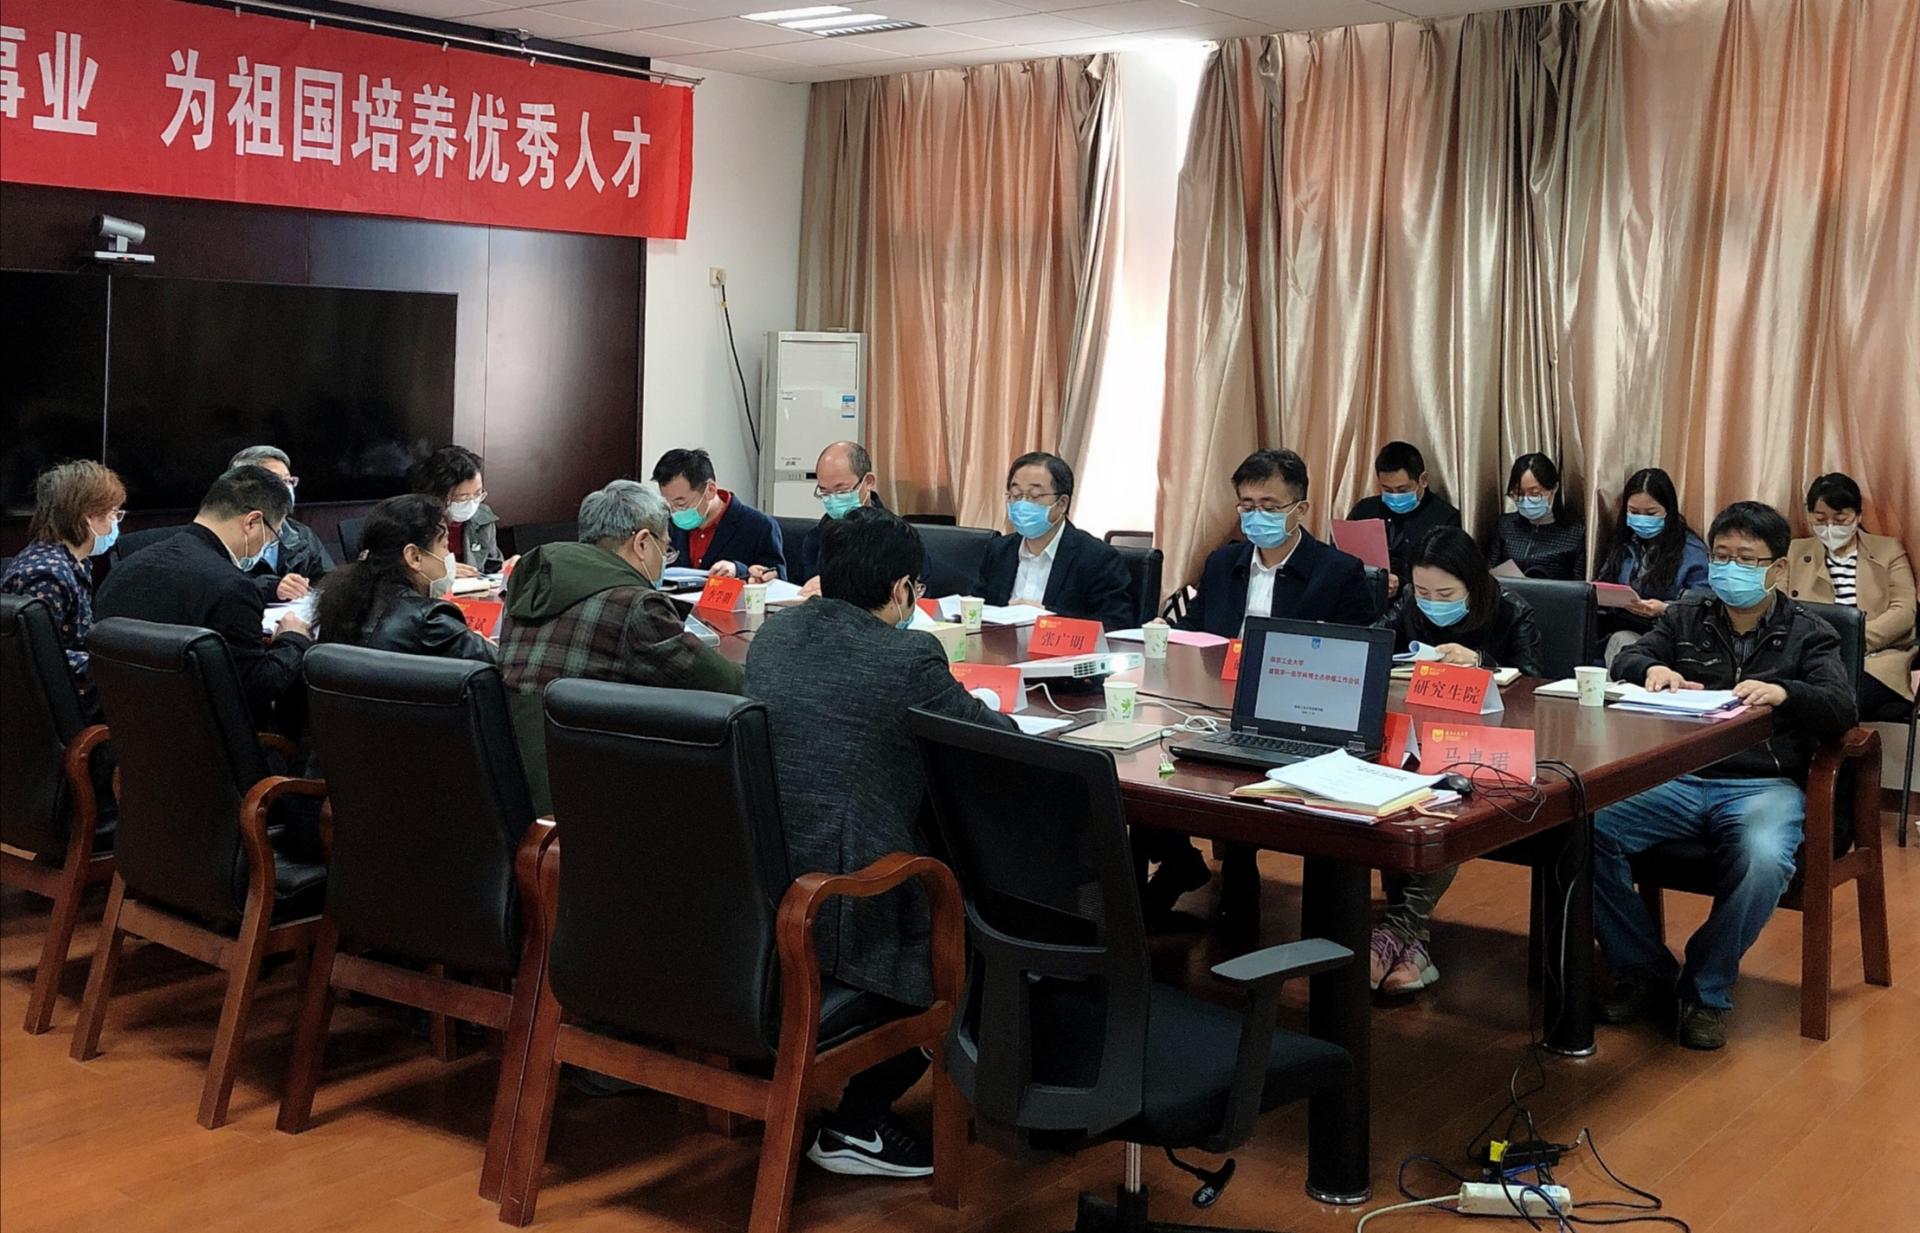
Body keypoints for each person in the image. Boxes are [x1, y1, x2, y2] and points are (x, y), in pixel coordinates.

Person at [744, 508, 1016, 1179]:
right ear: (902, 590)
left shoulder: (774, 636)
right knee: (976, 927)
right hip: (846, 906)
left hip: (763, 889)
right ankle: (858, 1121)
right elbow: (993, 745)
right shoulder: (907, 656)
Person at [1596, 501, 1856, 1050]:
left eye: (1746, 559)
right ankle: (1643, 967)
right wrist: (1652, 667)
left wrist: (1786, 692)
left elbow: (1841, 709)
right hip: (1678, 776)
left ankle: (1706, 986)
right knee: (1583, 827)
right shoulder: (1687, 615)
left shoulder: (1810, 633)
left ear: (1777, 568)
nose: (1730, 568)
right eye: (1721, 556)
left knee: (1764, 857)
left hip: (1764, 785)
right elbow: (1627, 659)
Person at [1151, 448, 1378, 925]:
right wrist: (1165, 636)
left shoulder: (1337, 571)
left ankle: (1238, 872)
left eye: (1270, 506)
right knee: (1153, 766)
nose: (1257, 516)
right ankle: (1176, 863)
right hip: (1210, 702)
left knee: (1240, 770)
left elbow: (1356, 657)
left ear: (1301, 508)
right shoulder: (1222, 562)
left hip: (1294, 712)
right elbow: (1195, 632)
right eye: (1247, 505)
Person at [1368, 527, 1546, 995]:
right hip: (1416, 738)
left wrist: (1482, 662)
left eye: (1445, 594)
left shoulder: (1511, 611)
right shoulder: (1411, 604)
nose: (1430, 603)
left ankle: (1396, 932)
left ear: (1473, 582)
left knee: (1448, 801)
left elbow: (1534, 689)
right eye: (1423, 591)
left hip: (1486, 749)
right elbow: (1374, 645)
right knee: (1393, 794)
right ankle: (1412, 944)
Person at [499, 479, 743, 814]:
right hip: (597, 799)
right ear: (642, 543)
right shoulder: (635, 605)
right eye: (665, 549)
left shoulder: (529, 586)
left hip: (523, 793)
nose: (665, 560)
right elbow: (725, 684)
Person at [93, 465, 312, 728]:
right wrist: (293, 639)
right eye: (273, 536)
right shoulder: (233, 588)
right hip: (199, 742)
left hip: (122, 733)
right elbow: (256, 690)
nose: (267, 545)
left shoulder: (124, 569)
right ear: (252, 522)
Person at [1782, 472, 1915, 722]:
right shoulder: (1794, 552)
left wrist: (1852, 641)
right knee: (1797, 695)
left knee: (1836, 698)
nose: (1830, 527)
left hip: (1874, 660)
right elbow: (1781, 607)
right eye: (1820, 519)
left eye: (1840, 519)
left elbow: (1904, 611)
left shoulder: (1888, 550)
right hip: (1810, 659)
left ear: (1858, 516)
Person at [0, 460, 126, 716]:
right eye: (114, 513)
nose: (116, 522)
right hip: (62, 709)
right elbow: (40, 660)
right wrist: (110, 666)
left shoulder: (74, 562)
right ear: (88, 517)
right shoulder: (46, 575)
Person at [313, 494, 493, 664]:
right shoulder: (431, 620)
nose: (449, 556)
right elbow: (501, 666)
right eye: (445, 546)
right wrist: (477, 641)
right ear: (414, 557)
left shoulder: (339, 602)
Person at [974, 451, 1134, 629]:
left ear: (1062, 503)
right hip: (1000, 645)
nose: (1023, 504)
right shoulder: (998, 550)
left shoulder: (1096, 558)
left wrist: (1050, 618)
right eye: (1016, 495)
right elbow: (978, 607)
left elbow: (1115, 624)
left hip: (1059, 646)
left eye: (1035, 495)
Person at [1594, 467, 1710, 659]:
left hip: (1668, 635)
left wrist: (1665, 609)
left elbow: (1704, 604)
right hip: (1620, 625)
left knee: (1624, 643)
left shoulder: (1692, 551)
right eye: (1634, 512)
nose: (1642, 519)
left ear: (1668, 511)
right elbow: (1604, 582)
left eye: (1650, 513)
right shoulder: (1624, 542)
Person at [793, 440, 933, 596]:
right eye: (825, 492)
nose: (833, 499)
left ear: (868, 482)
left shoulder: (899, 536)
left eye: (842, 491)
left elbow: (919, 591)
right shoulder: (816, 538)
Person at [651, 447, 788, 582]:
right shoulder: (668, 525)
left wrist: (739, 570)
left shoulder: (760, 527)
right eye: (668, 504)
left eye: (681, 504)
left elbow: (777, 581)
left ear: (710, 490)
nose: (675, 511)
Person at [1345, 440, 1462, 597]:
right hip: (1365, 597)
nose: (1395, 496)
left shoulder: (1445, 518)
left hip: (1419, 600)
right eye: (1387, 489)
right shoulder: (1364, 510)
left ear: (1423, 480)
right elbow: (1343, 558)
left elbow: (1448, 574)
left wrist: (1402, 585)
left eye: (1403, 489)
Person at [228, 445, 335, 603]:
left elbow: (329, 580)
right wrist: (271, 588)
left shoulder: (300, 533)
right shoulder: (225, 533)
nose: (286, 488)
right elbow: (219, 587)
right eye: (276, 481)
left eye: (288, 481)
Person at [410, 445, 510, 577]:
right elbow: (395, 571)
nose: (471, 503)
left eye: (477, 494)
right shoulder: (412, 520)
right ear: (437, 494)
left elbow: (493, 567)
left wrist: (508, 568)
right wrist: (437, 571)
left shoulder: (483, 518)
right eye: (463, 497)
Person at [1487, 452, 1586, 581]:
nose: (1526, 500)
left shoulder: (1576, 531)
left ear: (1554, 489)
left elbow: (1580, 586)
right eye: (1519, 493)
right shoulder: (1506, 525)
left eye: (1534, 494)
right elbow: (1489, 573)